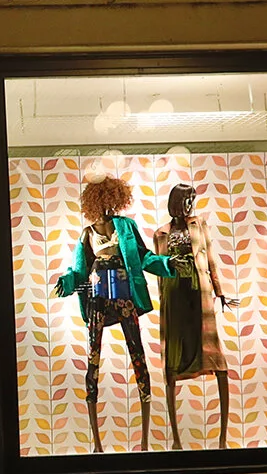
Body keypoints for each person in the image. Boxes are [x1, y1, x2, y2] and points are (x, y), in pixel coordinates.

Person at [51, 172, 185, 453]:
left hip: (124, 298)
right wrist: (67, 281)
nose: (104, 207)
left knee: (138, 357)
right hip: (98, 301)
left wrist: (167, 264)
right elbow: (78, 270)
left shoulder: (125, 227)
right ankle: (97, 446)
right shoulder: (86, 234)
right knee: (93, 361)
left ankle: (145, 443)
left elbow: (144, 256)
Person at [154, 182, 237, 449]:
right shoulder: (161, 233)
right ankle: (176, 441)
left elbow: (210, 258)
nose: (189, 206)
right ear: (175, 202)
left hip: (199, 293)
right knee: (173, 362)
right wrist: (162, 300)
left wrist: (220, 292)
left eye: (193, 200)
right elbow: (159, 268)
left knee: (217, 359)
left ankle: (223, 440)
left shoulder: (199, 225)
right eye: (186, 200)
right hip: (174, 295)